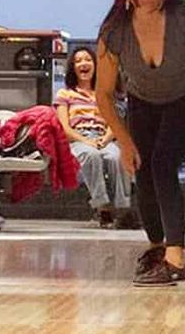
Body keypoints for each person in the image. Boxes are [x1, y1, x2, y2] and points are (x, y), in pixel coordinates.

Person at [96, 0, 185, 285]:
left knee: (163, 164)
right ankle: (157, 246)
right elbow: (103, 94)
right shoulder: (114, 30)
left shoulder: (184, 18)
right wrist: (124, 143)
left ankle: (176, 259)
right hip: (143, 104)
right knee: (143, 170)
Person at [55, 45, 133, 228]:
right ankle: (102, 207)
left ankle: (123, 209)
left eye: (88, 60)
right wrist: (86, 141)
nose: (83, 64)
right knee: (91, 155)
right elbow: (65, 128)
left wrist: (105, 139)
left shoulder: (106, 94)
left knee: (116, 157)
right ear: (72, 68)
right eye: (78, 61)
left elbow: (115, 122)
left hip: (103, 137)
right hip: (77, 138)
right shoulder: (65, 94)